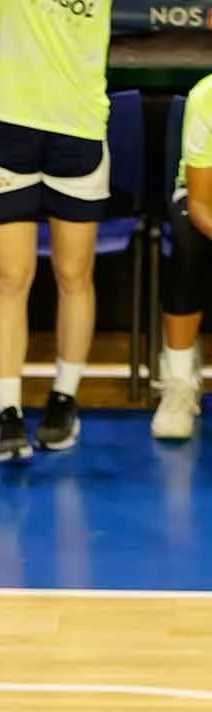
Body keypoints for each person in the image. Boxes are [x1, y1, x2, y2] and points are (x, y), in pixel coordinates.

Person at [0, 0, 114, 461]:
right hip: (11, 127)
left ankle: (64, 400)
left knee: (74, 274)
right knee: (11, 277)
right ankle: (8, 413)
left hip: (80, 129)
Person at [152, 74, 212, 440]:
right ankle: (177, 380)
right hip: (202, 200)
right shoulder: (206, 97)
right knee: (189, 237)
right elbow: (201, 202)